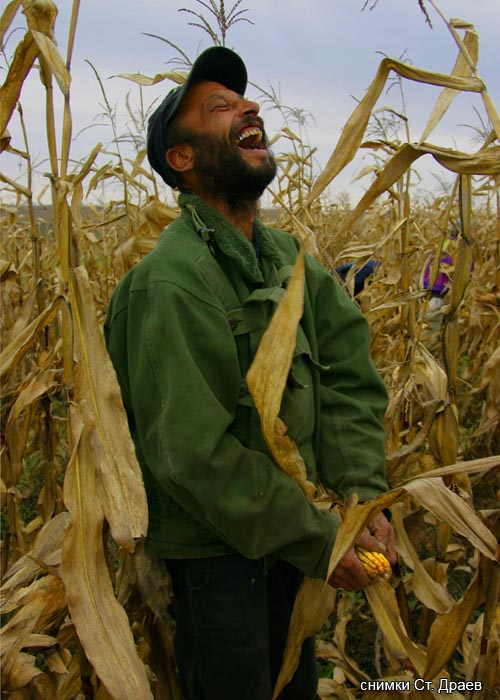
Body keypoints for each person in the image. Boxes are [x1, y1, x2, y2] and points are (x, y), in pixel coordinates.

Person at [104, 46, 396, 700]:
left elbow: (346, 372)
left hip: (291, 542)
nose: (249, 107)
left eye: (245, 99)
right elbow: (194, 455)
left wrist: (359, 497)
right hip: (220, 565)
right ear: (182, 158)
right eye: (220, 107)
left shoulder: (289, 258)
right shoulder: (170, 283)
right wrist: (321, 537)